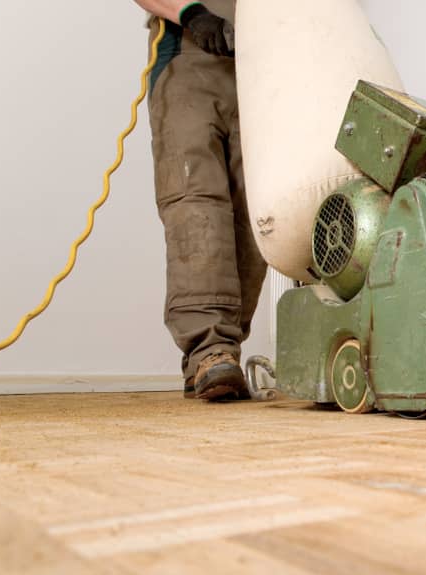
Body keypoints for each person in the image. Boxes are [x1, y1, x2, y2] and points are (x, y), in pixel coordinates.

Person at [134, 0, 267, 401]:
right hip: (187, 53)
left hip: (265, 61)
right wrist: (191, 13)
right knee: (196, 203)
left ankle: (220, 352)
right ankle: (210, 349)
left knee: (258, 207)